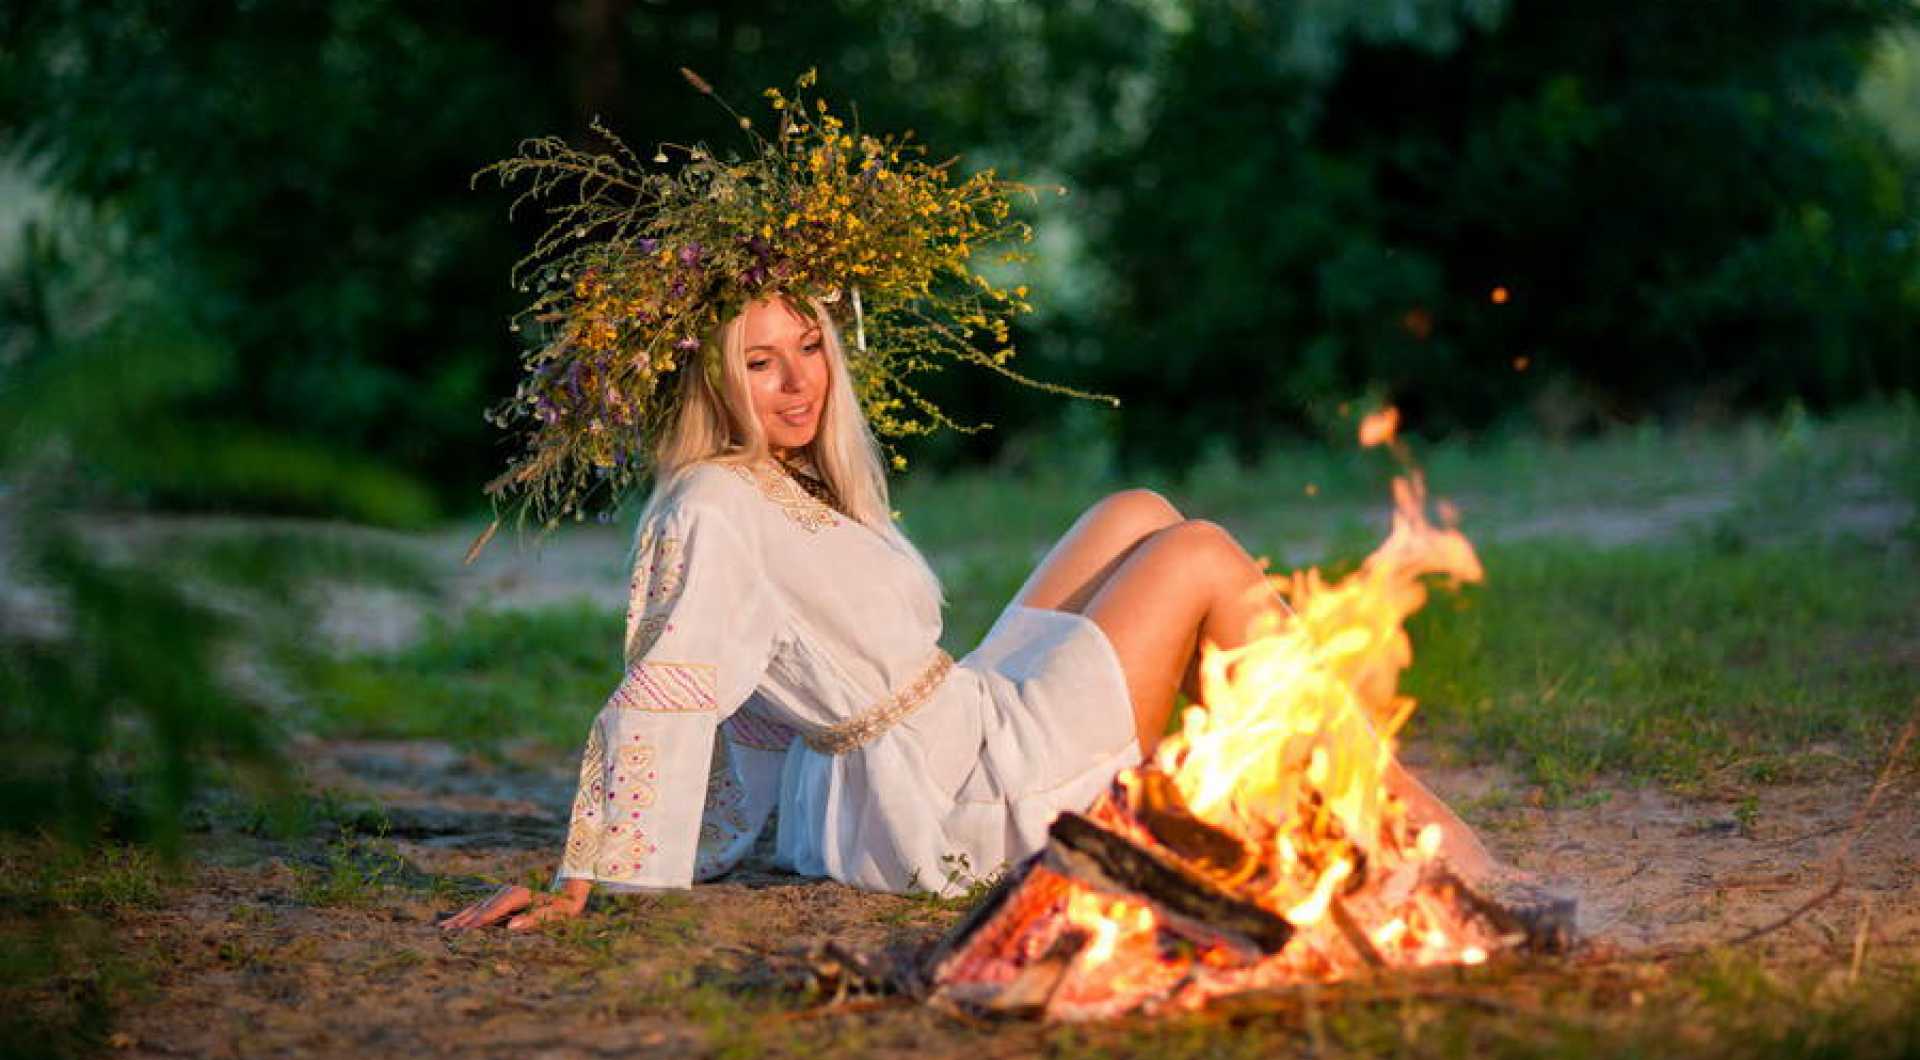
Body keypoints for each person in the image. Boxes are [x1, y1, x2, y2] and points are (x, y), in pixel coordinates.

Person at [441, 72, 1494, 932]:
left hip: (938, 739)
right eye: (760, 364)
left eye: (810, 349)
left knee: (1139, 508)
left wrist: (749, 828)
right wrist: (588, 880)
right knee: (1206, 554)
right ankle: (1414, 826)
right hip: (947, 804)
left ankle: (1266, 808)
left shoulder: (780, 478)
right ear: (711, 380)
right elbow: (671, 677)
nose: (800, 383)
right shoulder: (712, 500)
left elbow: (759, 701)